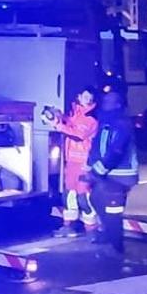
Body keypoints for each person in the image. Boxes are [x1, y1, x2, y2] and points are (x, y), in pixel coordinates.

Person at [87, 84, 140, 260]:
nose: (105, 103)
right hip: (108, 173)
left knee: (112, 210)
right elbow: (98, 147)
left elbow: (115, 151)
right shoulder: (106, 122)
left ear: (119, 105)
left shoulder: (121, 123)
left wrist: (98, 171)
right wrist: (90, 165)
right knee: (96, 199)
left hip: (120, 175)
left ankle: (116, 245)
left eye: (111, 101)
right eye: (105, 100)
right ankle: (109, 235)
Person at [49, 86, 99, 237]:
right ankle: (67, 226)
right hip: (71, 161)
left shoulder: (91, 119)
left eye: (90, 97)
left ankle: (92, 229)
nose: (87, 100)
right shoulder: (76, 114)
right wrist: (59, 116)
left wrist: (58, 125)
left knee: (83, 197)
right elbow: (71, 123)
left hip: (84, 163)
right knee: (69, 194)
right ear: (79, 97)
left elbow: (78, 134)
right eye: (85, 96)